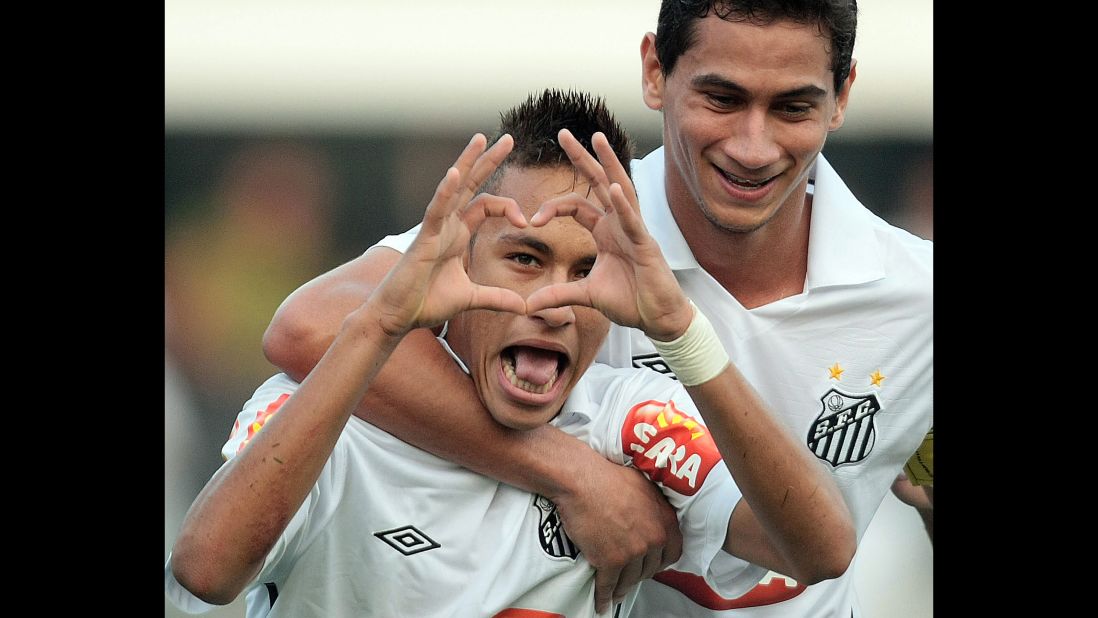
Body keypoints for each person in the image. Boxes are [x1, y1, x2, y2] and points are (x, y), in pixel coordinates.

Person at [263, 1, 933, 615]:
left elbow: (824, 550)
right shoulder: (568, 208)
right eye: (721, 98)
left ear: (842, 95)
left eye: (792, 107)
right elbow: (311, 326)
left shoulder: (916, 300)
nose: (753, 147)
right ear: (653, 72)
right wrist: (571, 470)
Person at [165, 89, 855, 617]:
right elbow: (206, 571)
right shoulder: (326, 412)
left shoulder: (632, 423)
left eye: (587, 271)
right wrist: (379, 328)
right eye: (525, 258)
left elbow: (819, 551)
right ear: (455, 263)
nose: (556, 301)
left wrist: (680, 328)